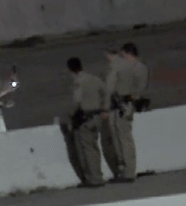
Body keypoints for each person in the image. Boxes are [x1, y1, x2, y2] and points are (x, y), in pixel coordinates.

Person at [101, 42, 150, 182]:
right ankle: (127, 170)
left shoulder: (119, 67)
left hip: (123, 105)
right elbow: (141, 88)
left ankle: (127, 171)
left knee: (122, 139)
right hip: (129, 104)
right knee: (124, 138)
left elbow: (110, 88)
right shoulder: (141, 67)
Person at [62, 57, 106, 187]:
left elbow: (77, 101)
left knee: (87, 151)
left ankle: (94, 178)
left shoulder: (78, 82)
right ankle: (98, 175)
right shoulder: (94, 78)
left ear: (70, 70)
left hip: (85, 119)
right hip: (97, 116)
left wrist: (70, 114)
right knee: (94, 148)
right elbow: (106, 92)